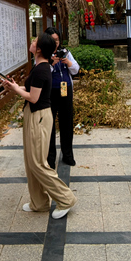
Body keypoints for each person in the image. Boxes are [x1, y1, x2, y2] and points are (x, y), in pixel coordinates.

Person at [0, 34, 77, 219]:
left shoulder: (42, 69)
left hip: (39, 117)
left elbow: (33, 98)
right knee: (30, 161)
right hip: (33, 114)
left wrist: (16, 89)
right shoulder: (40, 67)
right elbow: (32, 92)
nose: (31, 42)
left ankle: (66, 198)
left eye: (34, 41)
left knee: (38, 163)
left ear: (40, 49)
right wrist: (15, 86)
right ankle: (39, 203)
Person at [44, 27, 80, 168]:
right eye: (53, 41)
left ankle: (68, 155)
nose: (56, 43)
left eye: (57, 40)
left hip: (66, 91)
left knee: (67, 123)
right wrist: (51, 63)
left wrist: (68, 63)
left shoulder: (66, 52)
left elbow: (76, 70)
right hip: (49, 93)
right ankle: (50, 158)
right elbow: (41, 73)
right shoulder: (43, 55)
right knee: (50, 125)